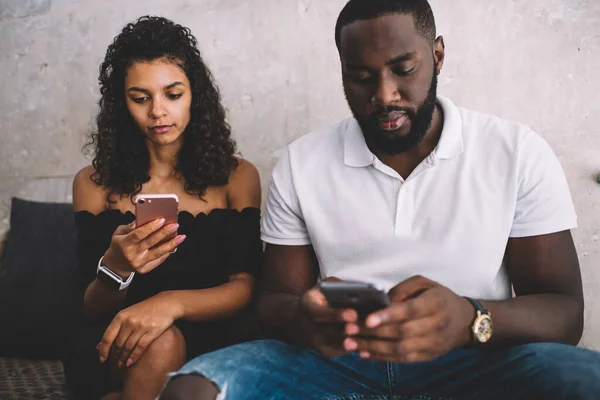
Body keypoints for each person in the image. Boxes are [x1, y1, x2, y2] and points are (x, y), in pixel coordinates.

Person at [160, 0, 600, 399]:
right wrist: (307, 320)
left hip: (480, 359)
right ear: (342, 71)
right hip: (335, 365)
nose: (384, 95)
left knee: (587, 379)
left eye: (403, 70)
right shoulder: (302, 162)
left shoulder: (514, 151)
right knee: (192, 391)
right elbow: (276, 299)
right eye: (362, 77)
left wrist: (470, 318)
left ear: (438, 56)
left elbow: (563, 310)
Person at [61, 16, 262, 400]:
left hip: (211, 333)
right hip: (115, 337)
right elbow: (88, 307)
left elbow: (245, 286)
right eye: (140, 97)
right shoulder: (93, 183)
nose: (157, 111)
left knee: (164, 340)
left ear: (195, 96)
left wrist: (168, 304)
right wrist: (116, 268)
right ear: (122, 103)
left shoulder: (237, 176)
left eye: (173, 94)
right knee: (160, 344)